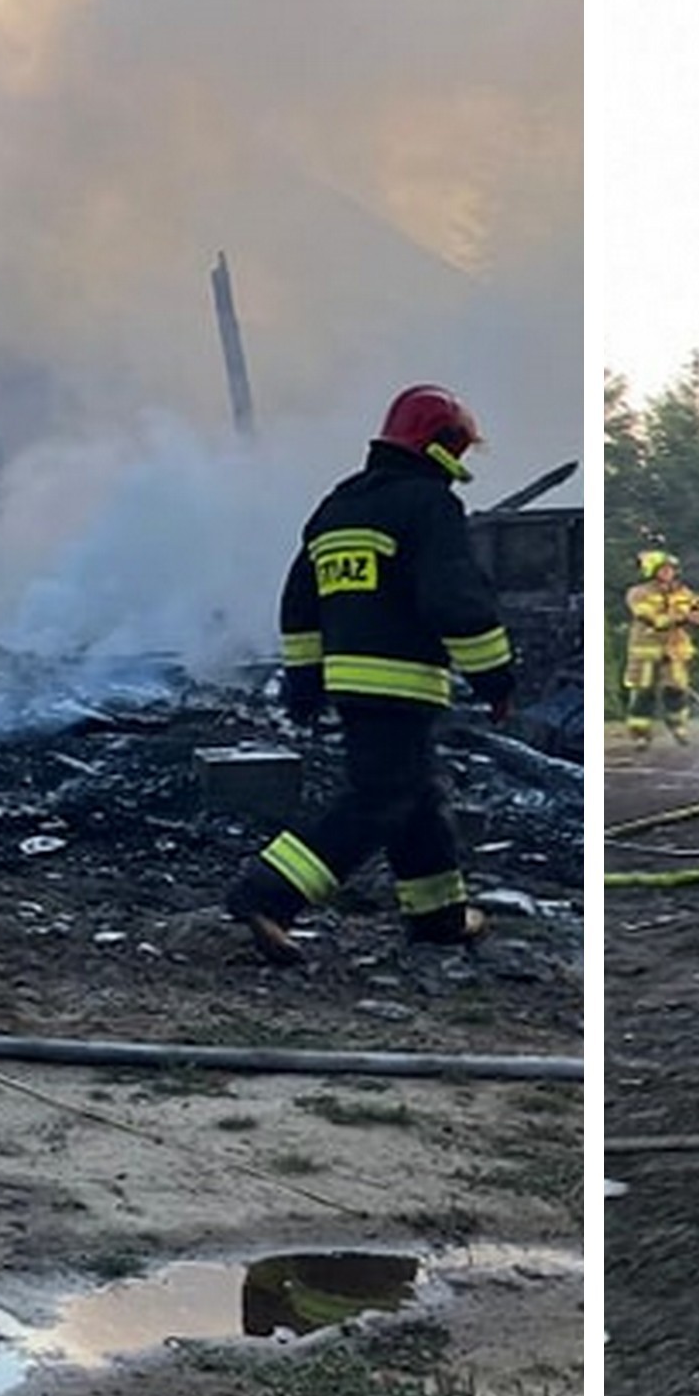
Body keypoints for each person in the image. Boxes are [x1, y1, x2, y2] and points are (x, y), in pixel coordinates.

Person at [228, 384, 521, 964]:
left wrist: (304, 682)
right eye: (458, 449)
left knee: (415, 797)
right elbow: (454, 602)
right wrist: (496, 678)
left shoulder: (337, 508)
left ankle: (438, 917)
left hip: (350, 686)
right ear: (438, 445)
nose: (461, 464)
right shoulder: (428, 505)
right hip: (403, 682)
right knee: (378, 800)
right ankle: (268, 894)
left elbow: (300, 605)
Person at [621, 549, 699, 741]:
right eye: (663, 569)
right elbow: (653, 619)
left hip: (675, 651)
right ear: (651, 571)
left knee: (677, 691)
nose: (668, 572)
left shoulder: (683, 592)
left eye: (671, 569)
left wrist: (698, 615)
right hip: (647, 652)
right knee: (643, 693)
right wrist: (682, 617)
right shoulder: (638, 593)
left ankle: (678, 727)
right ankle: (640, 733)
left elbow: (697, 611)